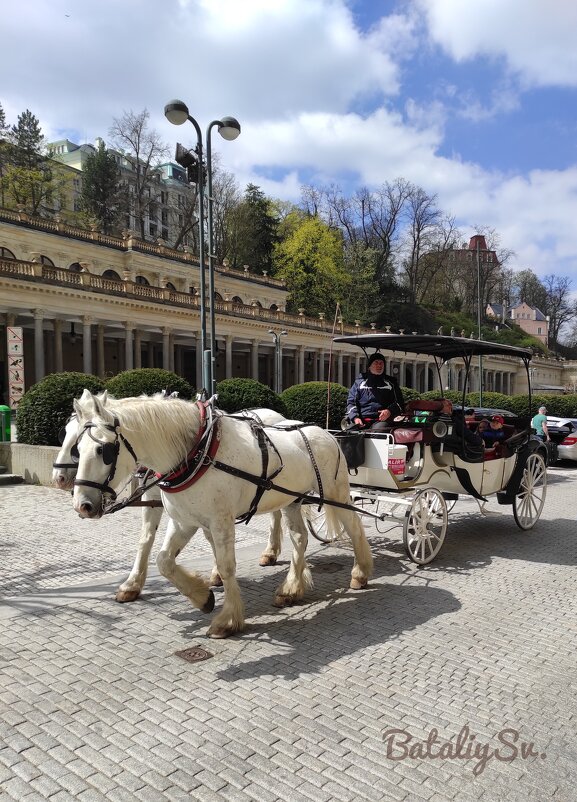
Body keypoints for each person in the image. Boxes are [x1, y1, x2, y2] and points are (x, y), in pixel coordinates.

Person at [346, 352, 405, 432]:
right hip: (361, 420)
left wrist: (389, 411)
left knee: (378, 431)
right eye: (376, 363)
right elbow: (351, 403)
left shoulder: (391, 383)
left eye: (381, 363)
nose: (379, 365)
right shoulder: (359, 382)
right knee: (348, 433)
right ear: (369, 366)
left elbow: (400, 403)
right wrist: (355, 418)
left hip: (381, 421)